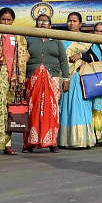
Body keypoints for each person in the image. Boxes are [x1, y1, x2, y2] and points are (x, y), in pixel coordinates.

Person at [57, 14, 102, 148]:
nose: (71, 24)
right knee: (65, 108)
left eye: (74, 21)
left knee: (80, 107)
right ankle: (65, 140)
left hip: (79, 78)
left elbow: (95, 58)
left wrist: (81, 55)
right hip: (66, 78)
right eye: (69, 21)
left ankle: (81, 140)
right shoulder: (62, 38)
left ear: (80, 24)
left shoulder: (85, 39)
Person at [24, 13, 67, 152]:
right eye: (40, 21)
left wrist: (66, 78)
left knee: (52, 110)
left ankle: (52, 142)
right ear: (36, 23)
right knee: (31, 109)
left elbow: (63, 60)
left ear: (50, 24)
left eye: (46, 22)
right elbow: (22, 56)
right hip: (32, 76)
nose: (43, 24)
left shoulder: (56, 39)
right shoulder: (28, 37)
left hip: (52, 77)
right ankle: (30, 143)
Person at [0, 7, 29, 155]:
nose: (6, 22)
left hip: (13, 79)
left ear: (13, 21)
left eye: (9, 20)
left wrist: (19, 74)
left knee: (10, 111)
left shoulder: (19, 36)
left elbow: (24, 55)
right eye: (3, 20)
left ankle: (7, 145)